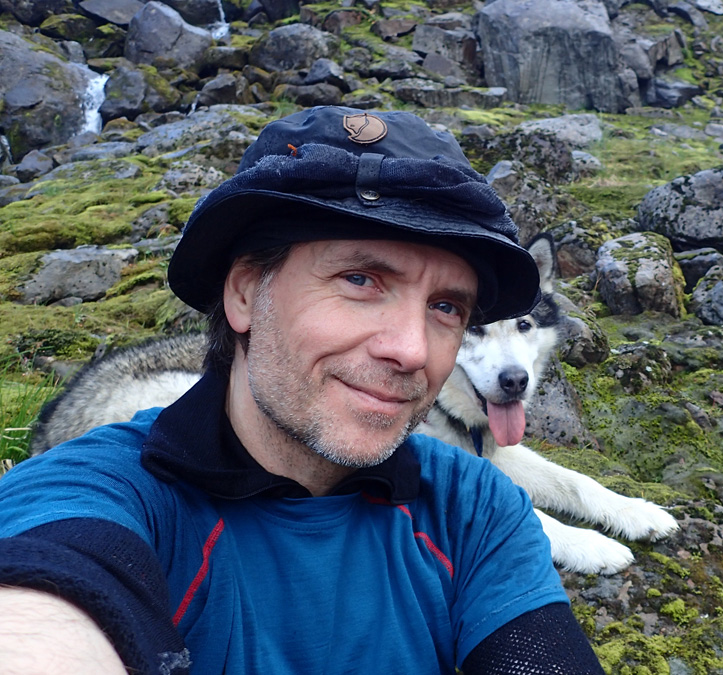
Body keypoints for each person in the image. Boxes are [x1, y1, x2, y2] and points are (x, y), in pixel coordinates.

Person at [0, 107, 607, 675]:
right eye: (360, 279)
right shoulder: (98, 491)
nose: (413, 350)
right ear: (244, 292)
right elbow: (45, 601)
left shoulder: (473, 507)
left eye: (447, 307)